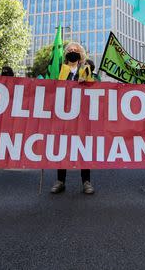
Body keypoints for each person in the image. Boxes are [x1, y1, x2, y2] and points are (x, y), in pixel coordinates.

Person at [51, 42, 95, 195]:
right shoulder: (60, 68)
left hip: (81, 114)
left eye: (75, 50)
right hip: (63, 113)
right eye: (70, 50)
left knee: (83, 146)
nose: (72, 52)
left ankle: (86, 181)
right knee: (63, 146)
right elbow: (53, 86)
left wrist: (86, 83)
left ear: (80, 54)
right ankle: (60, 181)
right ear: (66, 54)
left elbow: (94, 90)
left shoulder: (86, 69)